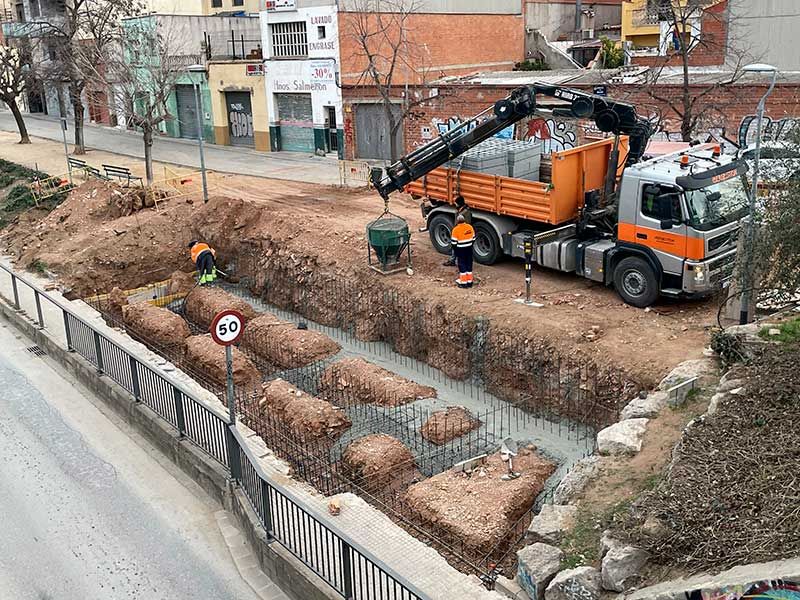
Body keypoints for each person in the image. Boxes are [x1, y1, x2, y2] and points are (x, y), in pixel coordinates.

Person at [443, 195, 473, 266]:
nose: (455, 205)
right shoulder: (462, 211)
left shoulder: (464, 213)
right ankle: (454, 260)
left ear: (459, 204)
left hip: (461, 235)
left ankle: (456, 261)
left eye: (456, 203)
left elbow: (464, 224)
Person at [450, 214, 475, 288]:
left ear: (457, 221)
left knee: (462, 265)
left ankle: (464, 283)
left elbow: (454, 243)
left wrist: (455, 250)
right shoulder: (470, 227)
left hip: (460, 249)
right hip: (469, 249)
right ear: (464, 220)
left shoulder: (455, 229)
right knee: (469, 264)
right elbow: (473, 238)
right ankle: (470, 282)